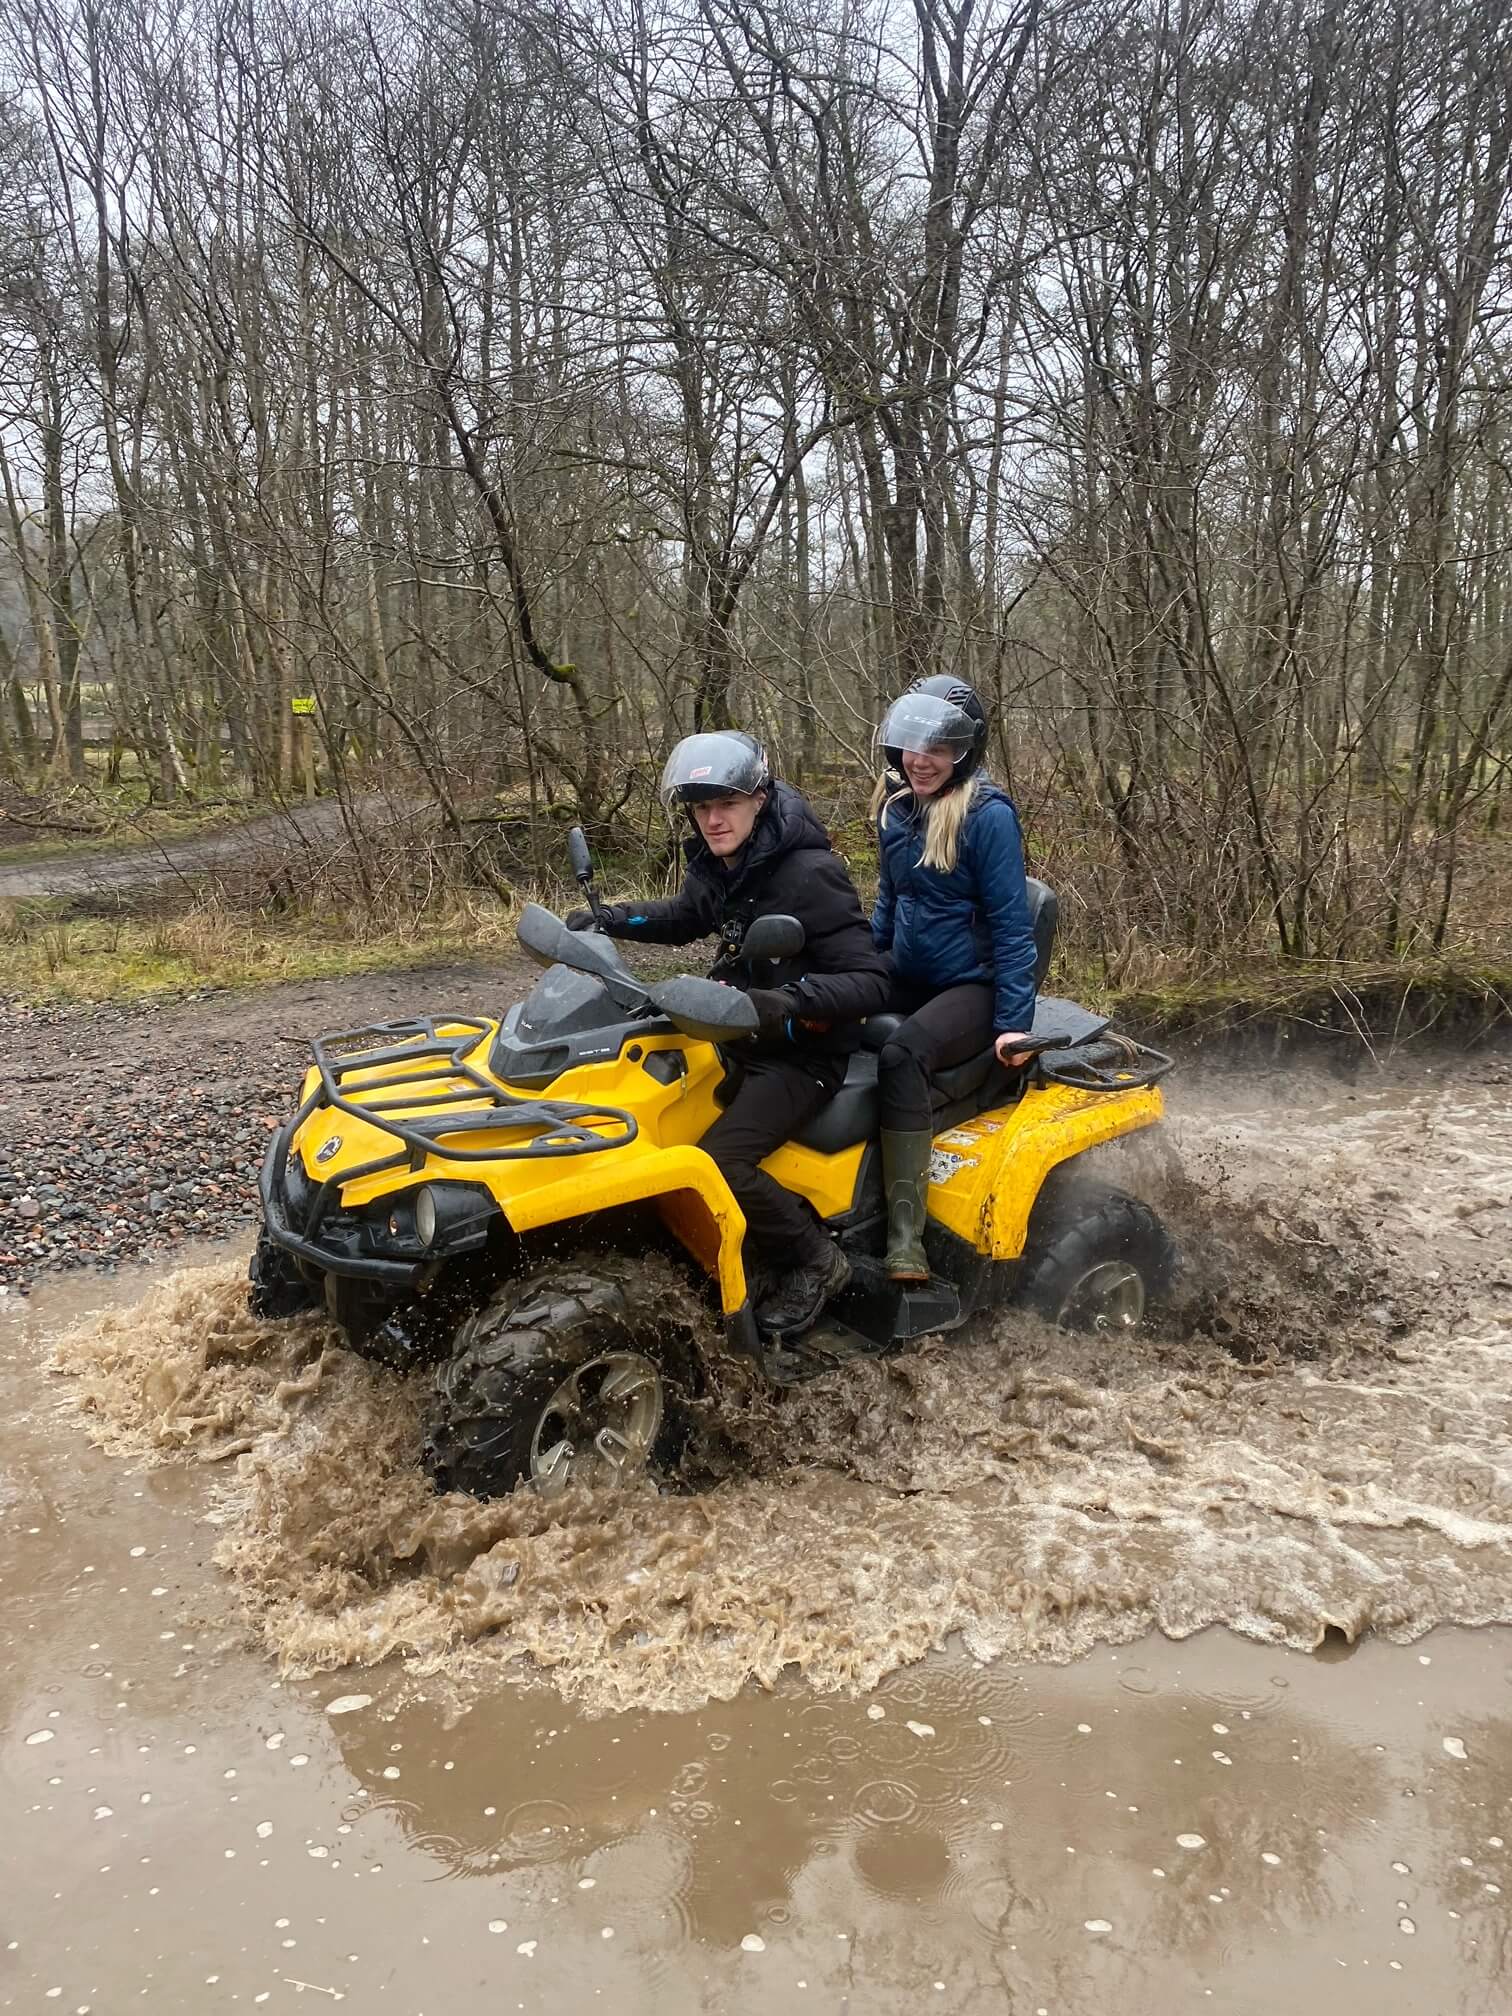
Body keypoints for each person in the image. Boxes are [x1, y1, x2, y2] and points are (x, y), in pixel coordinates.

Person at [566, 728, 890, 1337]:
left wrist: (783, 1002)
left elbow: (871, 982)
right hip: (735, 1033)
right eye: (701, 807)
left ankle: (818, 1260)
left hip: (804, 1052)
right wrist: (614, 919)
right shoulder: (724, 861)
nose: (713, 820)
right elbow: (689, 915)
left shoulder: (809, 873)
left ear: (758, 799)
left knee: (720, 1160)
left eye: (726, 805)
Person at [870, 676, 1039, 1282]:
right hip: (912, 970)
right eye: (913, 746)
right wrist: (862, 969)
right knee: (835, 1004)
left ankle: (905, 1236)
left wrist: (1013, 1025)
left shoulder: (987, 818)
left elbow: (1013, 926)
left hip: (973, 983)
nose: (921, 760)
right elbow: (889, 903)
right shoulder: (897, 811)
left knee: (900, 1053)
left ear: (964, 753)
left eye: (937, 749)